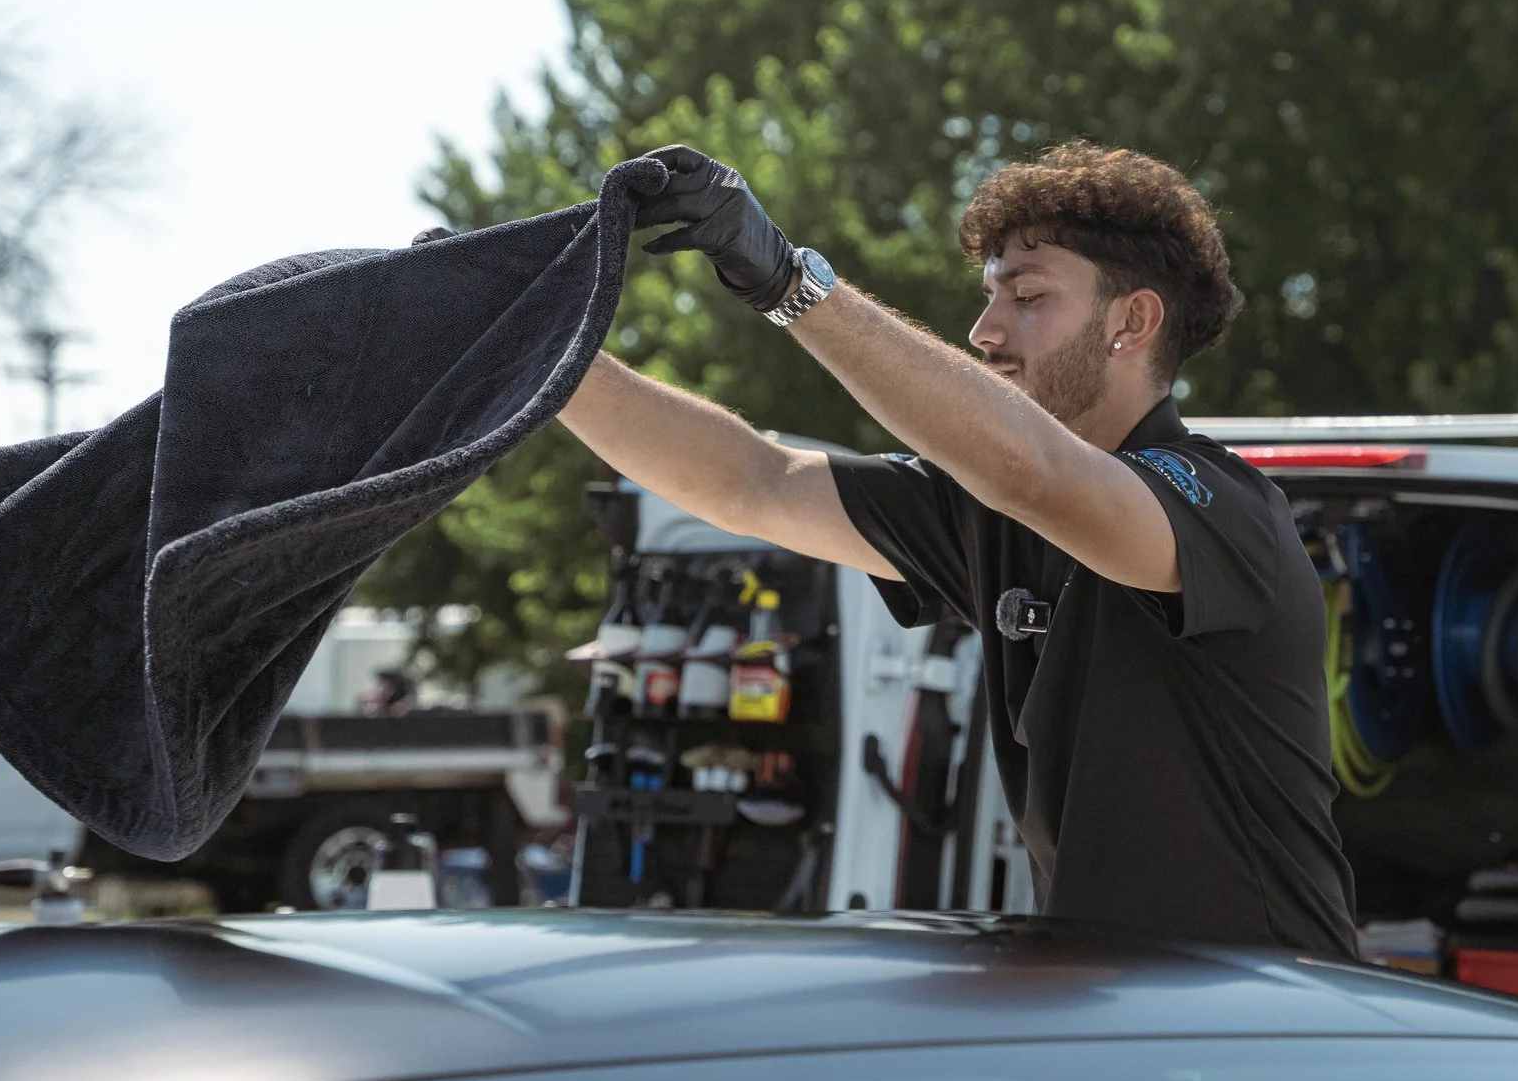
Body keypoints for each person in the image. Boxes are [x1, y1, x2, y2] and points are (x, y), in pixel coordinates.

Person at [560, 141, 1356, 958]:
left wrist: (789, 282)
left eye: (1029, 295)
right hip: (1109, 1013)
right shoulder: (993, 507)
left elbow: (1033, 473)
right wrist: (547, 359)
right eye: (989, 294)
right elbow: (753, 482)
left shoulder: (1225, 508)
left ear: (1134, 321)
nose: (985, 329)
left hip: (1268, 1019)